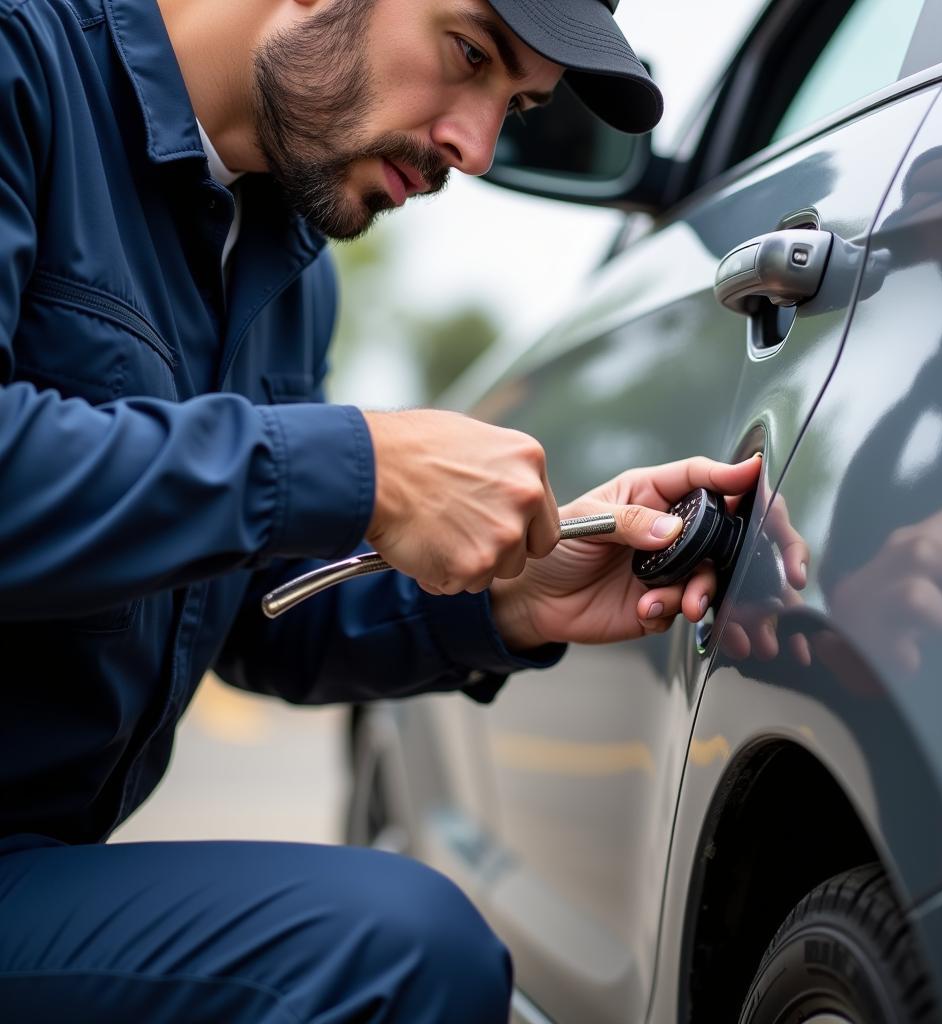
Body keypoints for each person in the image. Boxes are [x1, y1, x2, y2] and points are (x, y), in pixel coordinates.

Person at [0, 0, 763, 1019]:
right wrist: (360, 466)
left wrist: (508, 599)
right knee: (395, 952)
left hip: (34, 872)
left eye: (519, 105)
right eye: (469, 53)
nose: (478, 147)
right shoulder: (22, 57)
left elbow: (252, 608)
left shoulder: (289, 265)